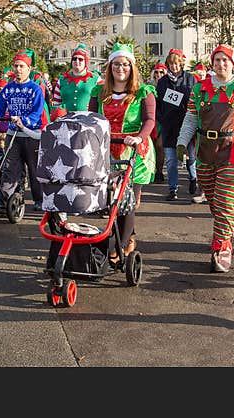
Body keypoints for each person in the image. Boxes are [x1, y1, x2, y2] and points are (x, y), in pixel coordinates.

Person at [176, 44, 234, 273]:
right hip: (205, 151)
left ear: (233, 63)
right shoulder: (200, 89)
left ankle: (222, 246)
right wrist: (182, 142)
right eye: (217, 60)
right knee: (214, 200)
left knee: (225, 200)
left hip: (233, 151)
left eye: (225, 60)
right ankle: (224, 229)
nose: (221, 64)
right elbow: (191, 117)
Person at [88, 42, 157, 261]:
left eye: (125, 64)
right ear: (110, 67)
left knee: (126, 199)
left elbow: (150, 120)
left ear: (132, 67)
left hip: (134, 151)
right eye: (116, 64)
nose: (121, 68)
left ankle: (123, 241)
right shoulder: (99, 92)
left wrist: (138, 137)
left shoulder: (144, 92)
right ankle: (126, 236)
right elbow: (92, 119)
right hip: (107, 150)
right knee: (112, 200)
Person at [0, 48, 47, 211]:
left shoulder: (35, 89)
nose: (18, 70)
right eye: (16, 66)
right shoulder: (8, 88)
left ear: (29, 69)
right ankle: (4, 199)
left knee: (34, 169)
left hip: (31, 135)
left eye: (21, 66)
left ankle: (39, 200)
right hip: (12, 135)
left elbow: (37, 113)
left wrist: (24, 121)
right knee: (10, 168)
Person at [155, 48, 197, 201]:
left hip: (187, 125)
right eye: (171, 64)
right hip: (169, 126)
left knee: (191, 157)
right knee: (171, 160)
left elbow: (195, 100)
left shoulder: (190, 79)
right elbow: (157, 103)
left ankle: (193, 179)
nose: (174, 67)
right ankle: (173, 189)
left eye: (177, 64)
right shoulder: (162, 82)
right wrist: (161, 118)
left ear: (181, 64)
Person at [51, 44, 100, 114]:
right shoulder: (62, 80)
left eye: (80, 59)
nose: (77, 61)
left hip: (88, 121)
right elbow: (56, 104)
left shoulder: (96, 79)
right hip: (66, 120)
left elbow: (102, 102)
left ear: (85, 61)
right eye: (74, 59)